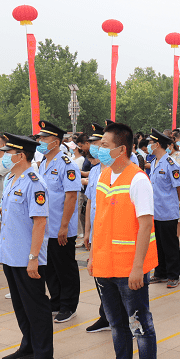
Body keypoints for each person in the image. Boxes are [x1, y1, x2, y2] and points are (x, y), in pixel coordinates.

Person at [89, 121, 159, 359]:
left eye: (104, 145)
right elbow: (100, 219)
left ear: (121, 149)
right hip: (105, 264)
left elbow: (145, 225)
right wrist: (93, 257)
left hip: (129, 268)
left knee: (140, 324)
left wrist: (138, 267)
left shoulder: (138, 180)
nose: (99, 149)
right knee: (116, 323)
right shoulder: (104, 175)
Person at [0, 133, 54, 359]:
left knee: (36, 306)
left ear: (20, 156)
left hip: (27, 256)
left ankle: (44, 354)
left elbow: (40, 222)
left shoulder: (34, 183)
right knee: (20, 305)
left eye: (8, 153)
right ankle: (28, 346)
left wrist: (33, 259)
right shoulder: (12, 178)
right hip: (11, 254)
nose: (4, 156)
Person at [34, 121, 82, 323]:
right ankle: (56, 301)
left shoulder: (67, 164)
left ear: (56, 141)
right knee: (50, 268)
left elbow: (71, 196)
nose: (40, 141)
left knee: (65, 268)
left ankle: (68, 305)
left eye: (44, 138)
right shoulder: (43, 163)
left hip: (61, 226)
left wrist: (64, 226)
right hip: (46, 227)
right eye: (39, 138)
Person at [82, 124, 112, 334]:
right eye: (92, 143)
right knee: (99, 276)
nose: (94, 147)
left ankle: (119, 317)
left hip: (111, 233)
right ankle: (106, 315)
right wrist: (87, 232)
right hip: (96, 233)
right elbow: (90, 203)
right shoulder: (94, 171)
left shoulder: (117, 172)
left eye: (98, 143)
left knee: (114, 279)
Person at [146, 129, 180, 288]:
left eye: (151, 143)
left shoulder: (171, 164)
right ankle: (160, 273)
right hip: (155, 212)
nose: (148, 145)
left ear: (157, 144)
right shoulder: (154, 162)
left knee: (170, 245)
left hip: (168, 212)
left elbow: (179, 187)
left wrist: (178, 205)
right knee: (158, 245)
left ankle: (173, 275)